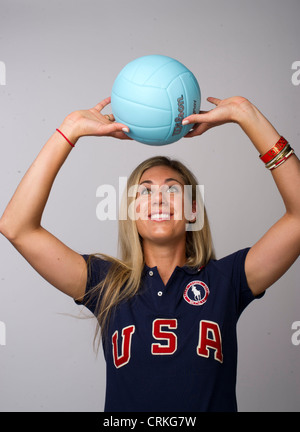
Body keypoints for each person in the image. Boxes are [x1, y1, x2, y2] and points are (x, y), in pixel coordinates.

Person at [0, 95, 299, 412]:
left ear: (192, 210)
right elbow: (16, 227)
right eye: (144, 192)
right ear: (131, 211)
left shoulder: (227, 280)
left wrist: (246, 115)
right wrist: (69, 130)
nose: (158, 200)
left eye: (172, 190)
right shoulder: (107, 285)